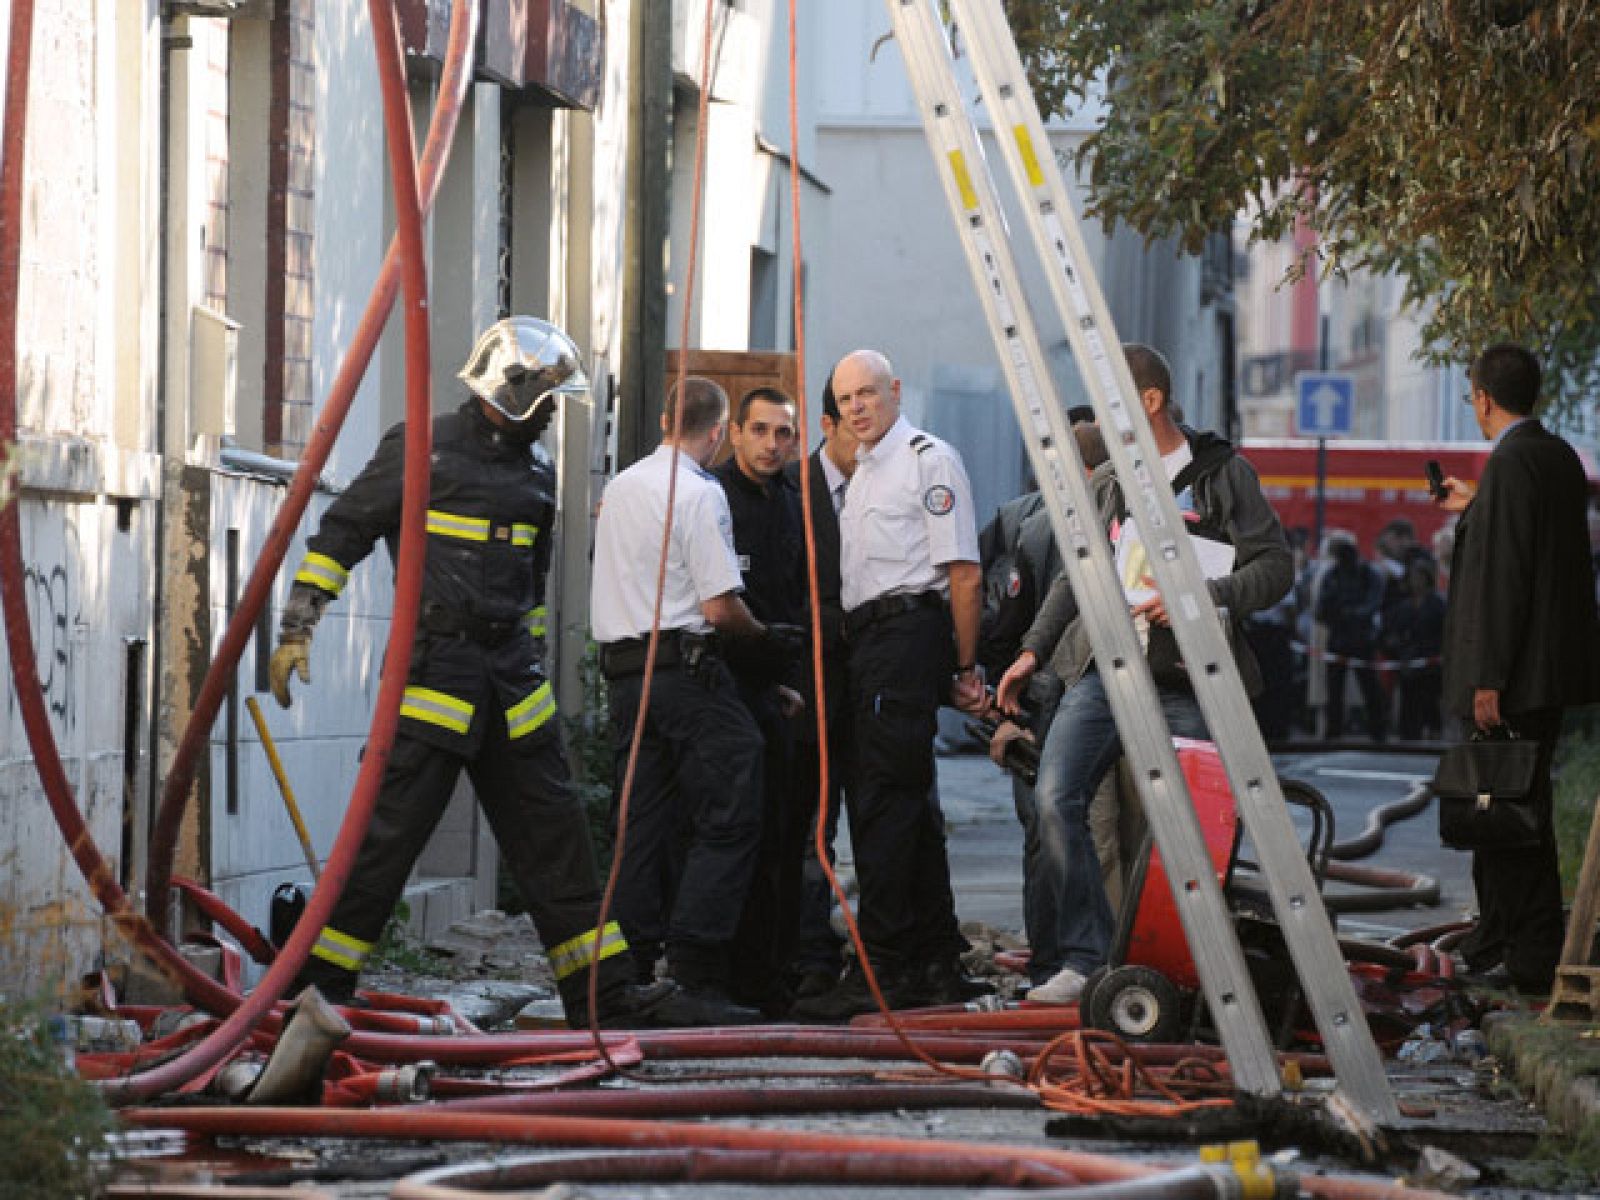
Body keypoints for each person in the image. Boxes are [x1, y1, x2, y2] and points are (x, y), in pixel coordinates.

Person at [270, 317, 677, 1027]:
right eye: (548, 398)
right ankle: (320, 987)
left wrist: (536, 667)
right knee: (386, 838)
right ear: (513, 390)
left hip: (514, 683)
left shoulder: (538, 472)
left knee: (557, 840)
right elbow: (345, 531)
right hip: (437, 675)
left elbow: (534, 585)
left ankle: (603, 999)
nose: (554, 412)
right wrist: (299, 626)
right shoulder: (423, 447)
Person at [995, 344, 1292, 1004]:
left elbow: (1275, 569)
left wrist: (1205, 596)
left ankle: (1187, 969)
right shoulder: (1108, 483)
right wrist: (1032, 654)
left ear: (1150, 402)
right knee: (1054, 798)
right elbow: (1079, 578)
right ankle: (1087, 960)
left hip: (1191, 677)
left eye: (1112, 402)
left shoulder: (1224, 476)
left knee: (1189, 827)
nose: (1100, 418)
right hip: (1106, 669)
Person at [591, 374, 796, 1025]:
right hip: (684, 671)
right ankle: (694, 974)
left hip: (626, 680)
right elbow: (719, 608)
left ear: (660, 423)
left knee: (642, 826)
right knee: (733, 807)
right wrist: (770, 646)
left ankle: (625, 974)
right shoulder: (701, 494)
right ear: (716, 434)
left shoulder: (622, 487)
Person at [792, 349, 989, 1020]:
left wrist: (962, 670)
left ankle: (884, 969)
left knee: (882, 808)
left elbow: (963, 575)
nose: (857, 407)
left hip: (904, 638)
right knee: (906, 805)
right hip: (870, 643)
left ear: (895, 391)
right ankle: (935, 962)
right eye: (846, 398)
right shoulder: (865, 469)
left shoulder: (928, 460)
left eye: (868, 393)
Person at [1437, 343, 1599, 991]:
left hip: (1514, 677)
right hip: (1551, 671)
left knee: (1507, 814)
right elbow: (1539, 545)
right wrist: (1479, 504)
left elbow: (1505, 577)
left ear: (1483, 397)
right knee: (1517, 806)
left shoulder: (1510, 465)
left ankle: (1523, 950)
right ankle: (1501, 937)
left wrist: (1489, 678)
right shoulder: (1558, 456)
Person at [711, 386, 809, 1013]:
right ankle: (722, 975)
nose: (773, 445)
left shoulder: (793, 503)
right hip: (719, 688)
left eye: (784, 433)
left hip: (779, 691)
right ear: (736, 433)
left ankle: (771, 975)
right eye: (762, 431)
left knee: (781, 835)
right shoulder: (711, 496)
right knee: (730, 833)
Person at [787, 376, 858, 1001]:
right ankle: (810, 955)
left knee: (891, 818)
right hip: (812, 682)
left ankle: (882, 957)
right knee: (813, 824)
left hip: (873, 683)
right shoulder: (794, 491)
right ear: (828, 426)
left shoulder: (892, 482)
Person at [1315, 533, 1387, 741]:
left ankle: (1377, 729)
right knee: (1335, 688)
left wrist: (1349, 614)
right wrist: (1341, 615)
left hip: (1361, 638)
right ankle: (1334, 731)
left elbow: (1372, 604)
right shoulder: (1333, 574)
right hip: (1339, 637)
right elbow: (1322, 608)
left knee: (1369, 686)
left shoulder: (1368, 573)